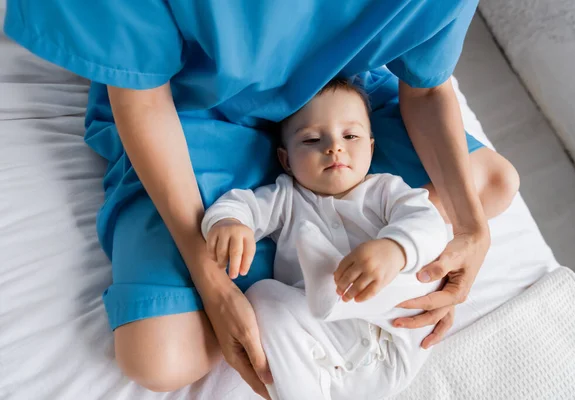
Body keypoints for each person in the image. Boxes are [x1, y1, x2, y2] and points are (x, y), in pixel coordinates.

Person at [3, 0, 519, 397]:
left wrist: (463, 232)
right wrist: (212, 282)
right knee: (158, 359)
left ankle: (338, 249)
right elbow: (143, 96)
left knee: (493, 184)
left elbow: (426, 90)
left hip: (335, 95)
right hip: (192, 107)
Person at [200, 79, 518, 399]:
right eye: (311, 140)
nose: (334, 147)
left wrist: (394, 250)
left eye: (350, 136)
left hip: (397, 332)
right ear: (286, 160)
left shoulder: (386, 191)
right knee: (262, 298)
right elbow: (241, 205)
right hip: (329, 350)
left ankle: (334, 290)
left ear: (370, 147)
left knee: (428, 260)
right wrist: (230, 222)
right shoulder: (284, 198)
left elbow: (428, 223)